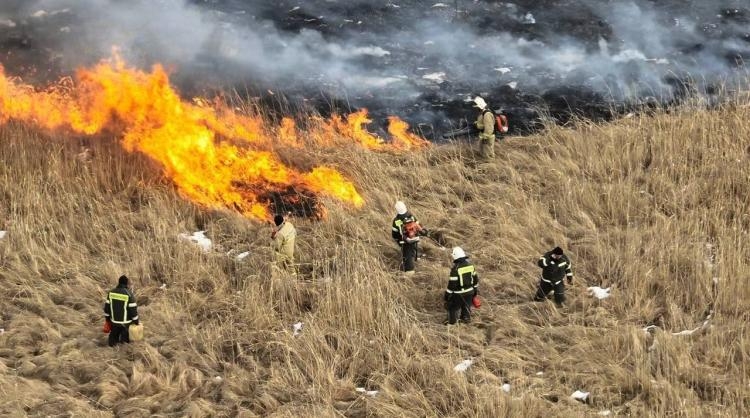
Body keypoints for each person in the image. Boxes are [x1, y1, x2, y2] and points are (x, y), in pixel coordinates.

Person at [444, 247, 479, 324]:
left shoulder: (455, 269)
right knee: (466, 308)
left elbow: (452, 284)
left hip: (458, 294)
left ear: (455, 256)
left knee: (452, 308)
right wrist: (475, 290)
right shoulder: (470, 266)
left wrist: (447, 295)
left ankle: (451, 323)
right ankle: (466, 321)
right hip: (470, 292)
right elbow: (475, 280)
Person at [103, 275, 139, 347]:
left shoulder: (111, 293)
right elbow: (133, 311)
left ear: (119, 282)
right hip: (126, 324)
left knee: (112, 344)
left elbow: (107, 308)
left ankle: (111, 349)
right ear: (126, 283)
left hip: (114, 323)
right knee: (124, 345)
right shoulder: (129, 294)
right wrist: (136, 322)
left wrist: (107, 319)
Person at [391, 201, 425, 275]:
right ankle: (415, 257)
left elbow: (394, 234)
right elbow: (419, 226)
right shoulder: (411, 216)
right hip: (415, 238)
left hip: (404, 241)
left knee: (407, 254)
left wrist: (399, 240)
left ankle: (409, 271)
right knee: (413, 248)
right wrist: (422, 232)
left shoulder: (396, 220)